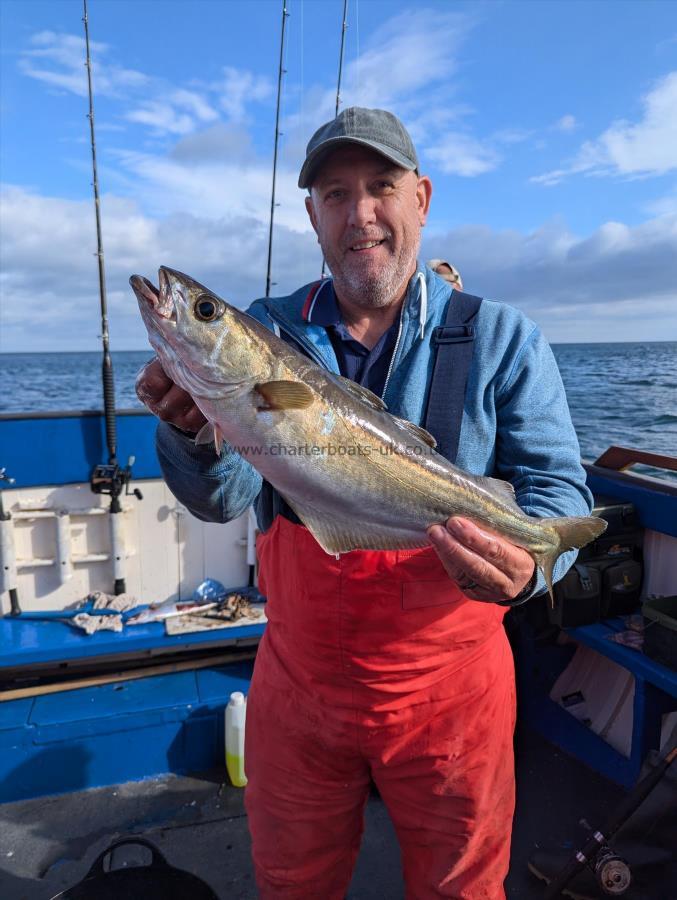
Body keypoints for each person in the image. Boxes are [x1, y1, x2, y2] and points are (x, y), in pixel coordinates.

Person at [136, 107, 592, 899]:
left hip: (453, 693)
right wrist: (192, 433)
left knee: (462, 885)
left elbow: (557, 490)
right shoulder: (270, 329)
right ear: (312, 214)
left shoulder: (504, 340)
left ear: (420, 196)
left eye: (380, 187)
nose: (361, 214)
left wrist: (527, 566)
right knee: (290, 879)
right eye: (335, 194)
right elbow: (223, 500)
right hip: (298, 683)